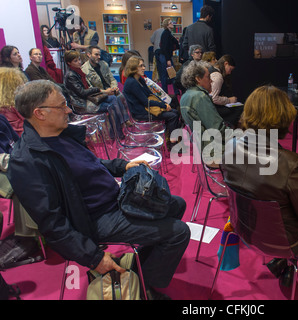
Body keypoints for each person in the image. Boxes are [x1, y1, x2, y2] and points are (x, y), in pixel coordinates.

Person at [7, 80, 190, 299]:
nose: (68, 109)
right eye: (62, 105)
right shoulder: (27, 160)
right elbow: (52, 223)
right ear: (40, 113)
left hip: (111, 200)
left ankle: (141, 266)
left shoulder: (60, 133)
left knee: (176, 203)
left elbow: (90, 165)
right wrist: (93, 257)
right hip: (92, 219)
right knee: (179, 233)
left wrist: (122, 166)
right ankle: (144, 285)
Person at [220, 85, 298, 286]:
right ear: (284, 119)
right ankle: (288, 259)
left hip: (243, 230)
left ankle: (282, 261)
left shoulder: (229, 147)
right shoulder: (291, 164)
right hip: (284, 241)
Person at [180, 60, 232, 165]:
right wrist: (238, 137)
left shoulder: (185, 96)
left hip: (202, 149)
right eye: (208, 77)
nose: (211, 81)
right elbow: (217, 130)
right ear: (198, 79)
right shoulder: (200, 97)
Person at [122, 56, 180, 147]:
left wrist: (164, 104)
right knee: (173, 115)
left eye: (143, 65)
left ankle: (170, 140)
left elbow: (151, 95)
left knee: (175, 112)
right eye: (141, 66)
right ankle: (172, 144)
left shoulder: (139, 79)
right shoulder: (131, 82)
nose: (144, 68)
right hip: (140, 112)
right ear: (133, 67)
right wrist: (163, 106)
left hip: (146, 108)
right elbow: (146, 101)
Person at [63, 50, 127, 128]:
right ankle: (118, 131)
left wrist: (109, 89)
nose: (79, 62)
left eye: (79, 59)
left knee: (114, 98)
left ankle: (123, 124)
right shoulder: (71, 75)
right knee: (111, 106)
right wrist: (98, 90)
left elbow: (111, 78)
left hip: (89, 98)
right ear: (69, 63)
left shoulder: (78, 71)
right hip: (81, 104)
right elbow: (82, 93)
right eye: (75, 61)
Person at [209, 54, 243, 128]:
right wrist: (229, 100)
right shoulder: (217, 76)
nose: (230, 73)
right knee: (240, 108)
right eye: (230, 69)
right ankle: (227, 128)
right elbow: (214, 98)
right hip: (214, 109)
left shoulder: (211, 70)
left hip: (211, 107)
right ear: (226, 64)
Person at [0, 67, 27, 135]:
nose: (24, 86)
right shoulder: (5, 110)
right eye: (19, 84)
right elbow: (20, 133)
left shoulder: (15, 103)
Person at [159, 19, 180, 95]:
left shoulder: (168, 33)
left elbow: (175, 43)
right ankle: (167, 92)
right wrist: (168, 59)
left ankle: (172, 91)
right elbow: (164, 48)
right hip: (165, 57)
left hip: (166, 56)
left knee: (171, 74)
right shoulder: (166, 34)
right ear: (167, 25)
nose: (172, 24)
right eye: (170, 23)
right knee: (169, 74)